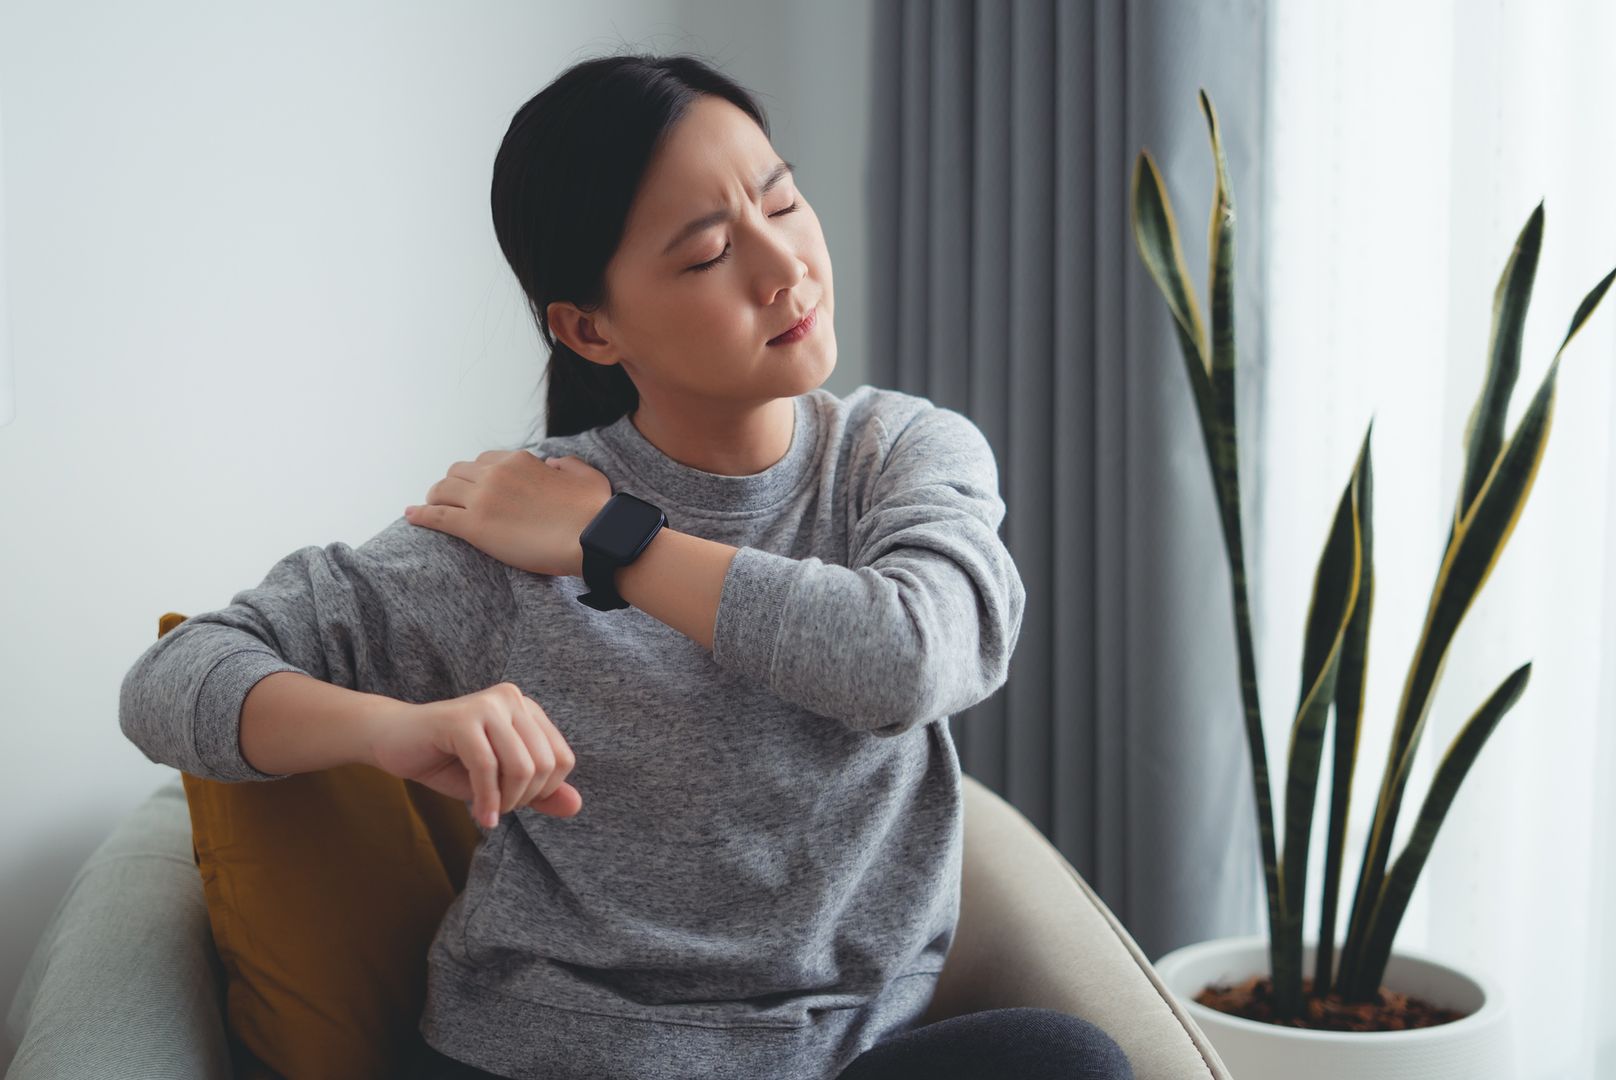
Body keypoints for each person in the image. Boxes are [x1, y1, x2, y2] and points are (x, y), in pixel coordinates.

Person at [120, 50, 1132, 1080]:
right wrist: (395, 730)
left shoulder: (900, 456)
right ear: (588, 328)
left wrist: (620, 543)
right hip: (556, 1058)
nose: (784, 269)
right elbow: (172, 683)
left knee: (1067, 1062)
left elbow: (913, 657)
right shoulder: (508, 523)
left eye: (782, 203)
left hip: (836, 1056)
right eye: (706, 256)